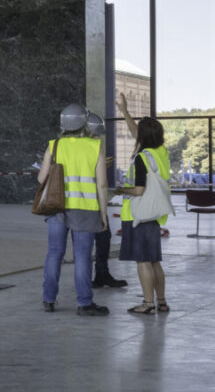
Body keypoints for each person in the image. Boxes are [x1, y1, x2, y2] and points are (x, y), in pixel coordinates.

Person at [37, 103, 111, 315]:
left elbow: (42, 178)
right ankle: (84, 303)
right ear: (84, 123)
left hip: (56, 208)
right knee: (82, 256)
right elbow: (102, 184)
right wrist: (103, 214)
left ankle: (48, 300)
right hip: (86, 210)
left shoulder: (54, 145)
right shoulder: (94, 147)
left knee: (54, 253)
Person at [115, 93, 170, 314]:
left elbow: (138, 190)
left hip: (137, 215)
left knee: (143, 262)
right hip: (155, 215)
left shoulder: (141, 159)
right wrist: (125, 112)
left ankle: (147, 304)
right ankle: (161, 301)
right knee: (154, 261)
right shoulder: (160, 153)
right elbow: (137, 134)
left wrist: (118, 189)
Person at [84, 111, 128, 290]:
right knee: (91, 241)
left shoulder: (64, 146)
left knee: (101, 239)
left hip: (87, 201)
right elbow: (100, 183)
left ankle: (100, 274)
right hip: (89, 203)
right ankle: (90, 280)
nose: (97, 137)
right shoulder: (92, 148)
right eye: (94, 133)